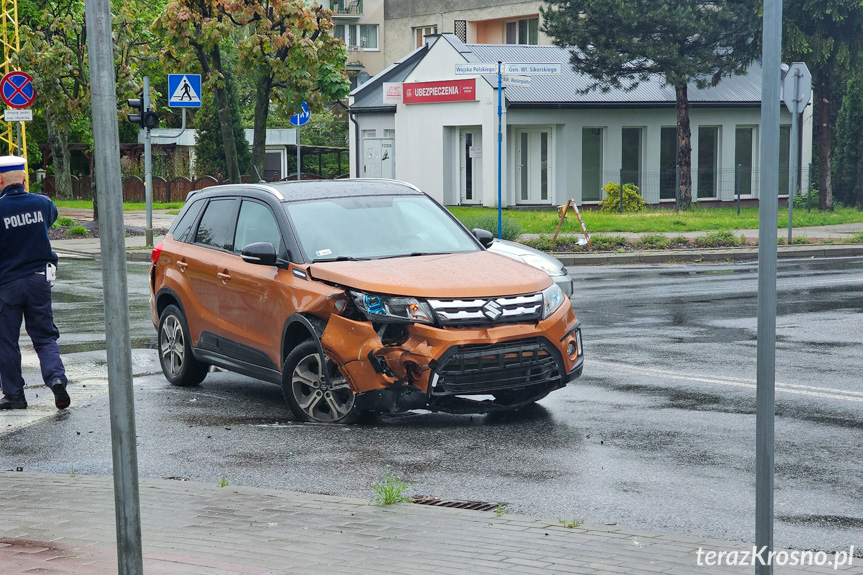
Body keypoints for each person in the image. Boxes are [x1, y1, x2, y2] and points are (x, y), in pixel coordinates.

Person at [0, 156, 70, 410]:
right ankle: (56, 379)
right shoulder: (43, 204)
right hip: (40, 280)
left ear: (0, 180)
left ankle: (14, 395)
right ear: (25, 179)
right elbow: (48, 221)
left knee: (6, 341)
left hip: (8, 284)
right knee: (44, 337)